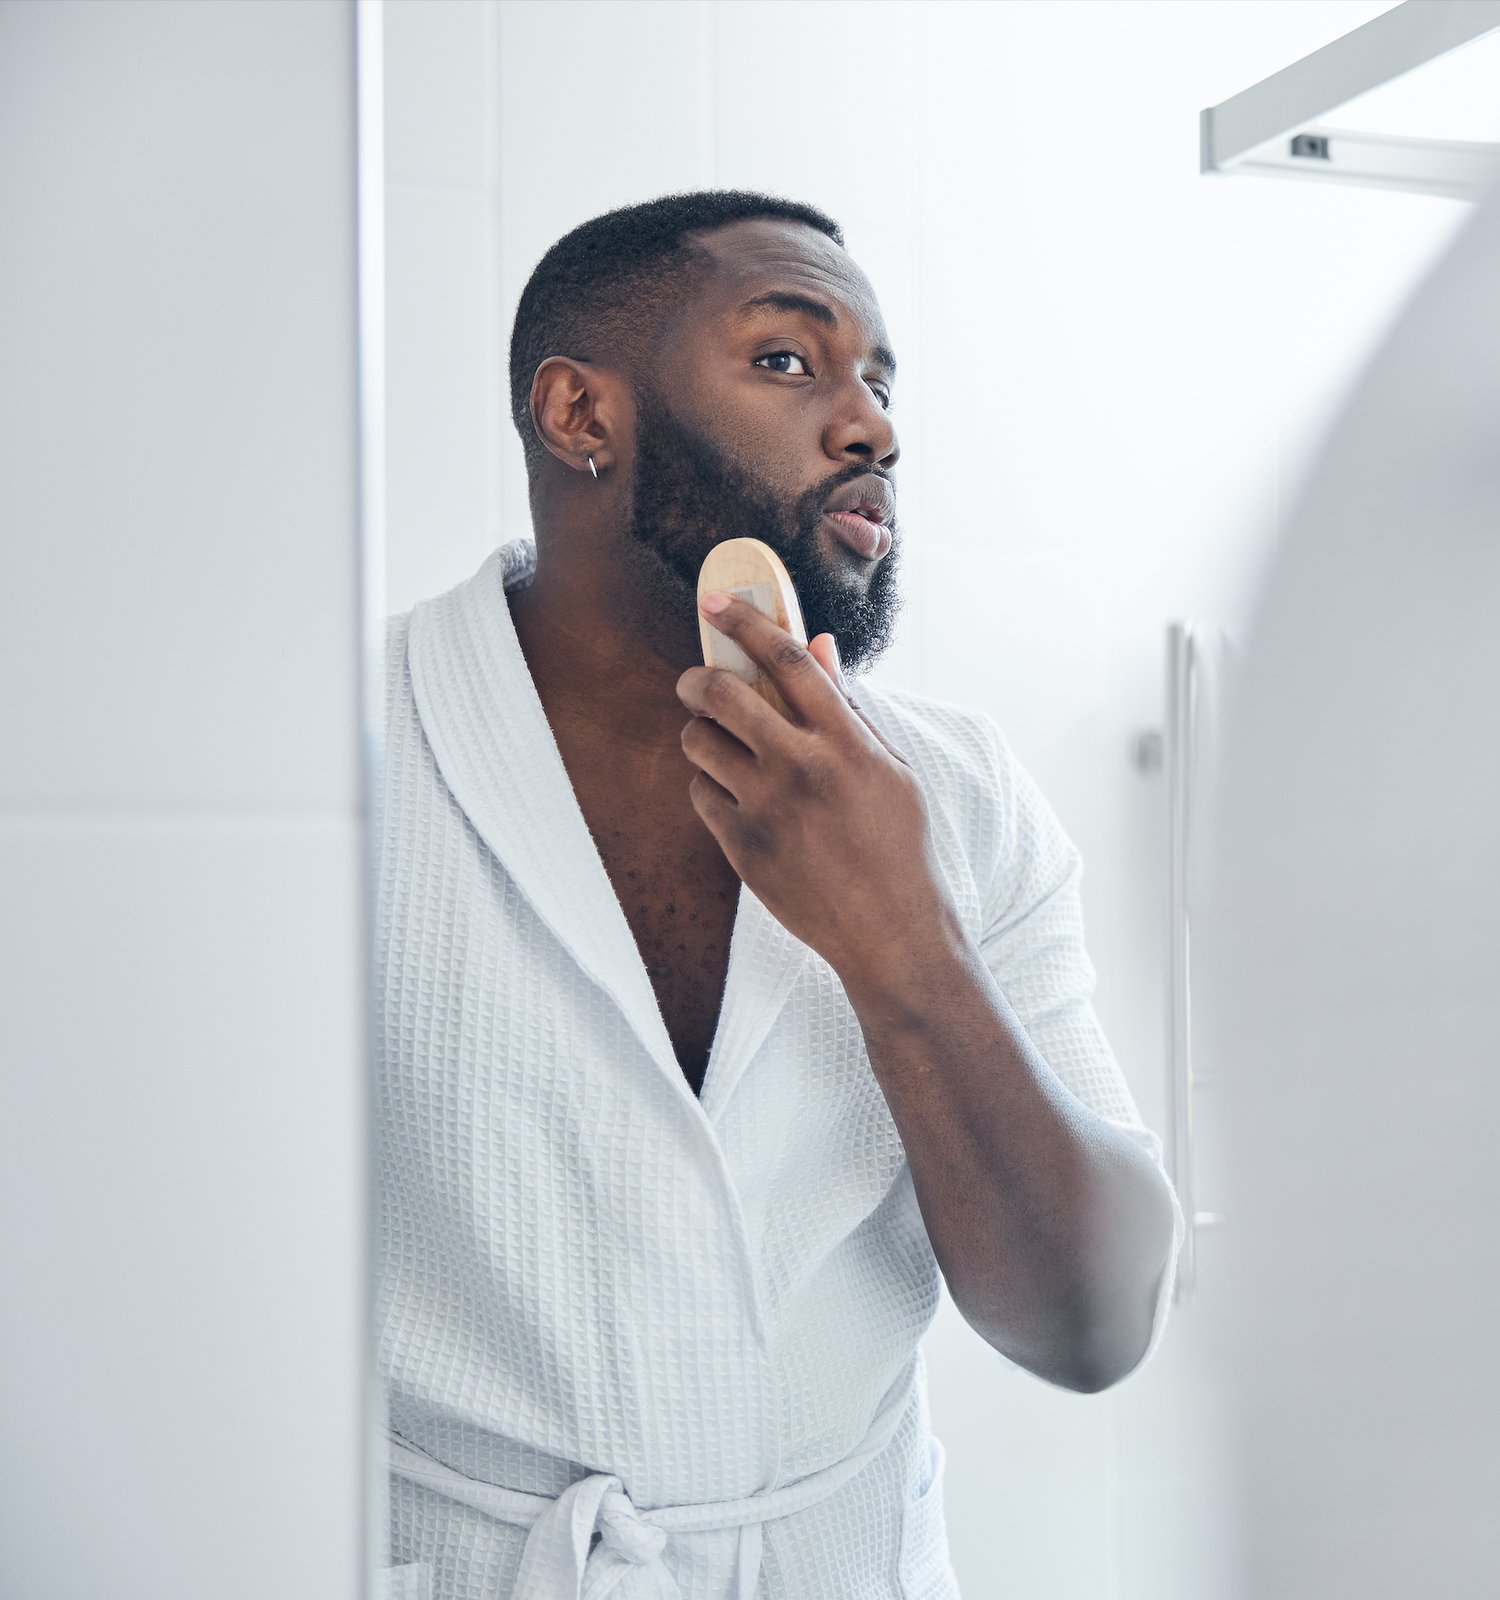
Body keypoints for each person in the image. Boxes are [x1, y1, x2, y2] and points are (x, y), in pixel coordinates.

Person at [375, 191, 1180, 1600]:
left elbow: (1097, 1323)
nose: (869, 425)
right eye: (791, 361)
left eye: (879, 380)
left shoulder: (961, 795)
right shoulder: (338, 758)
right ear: (580, 417)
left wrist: (903, 946)